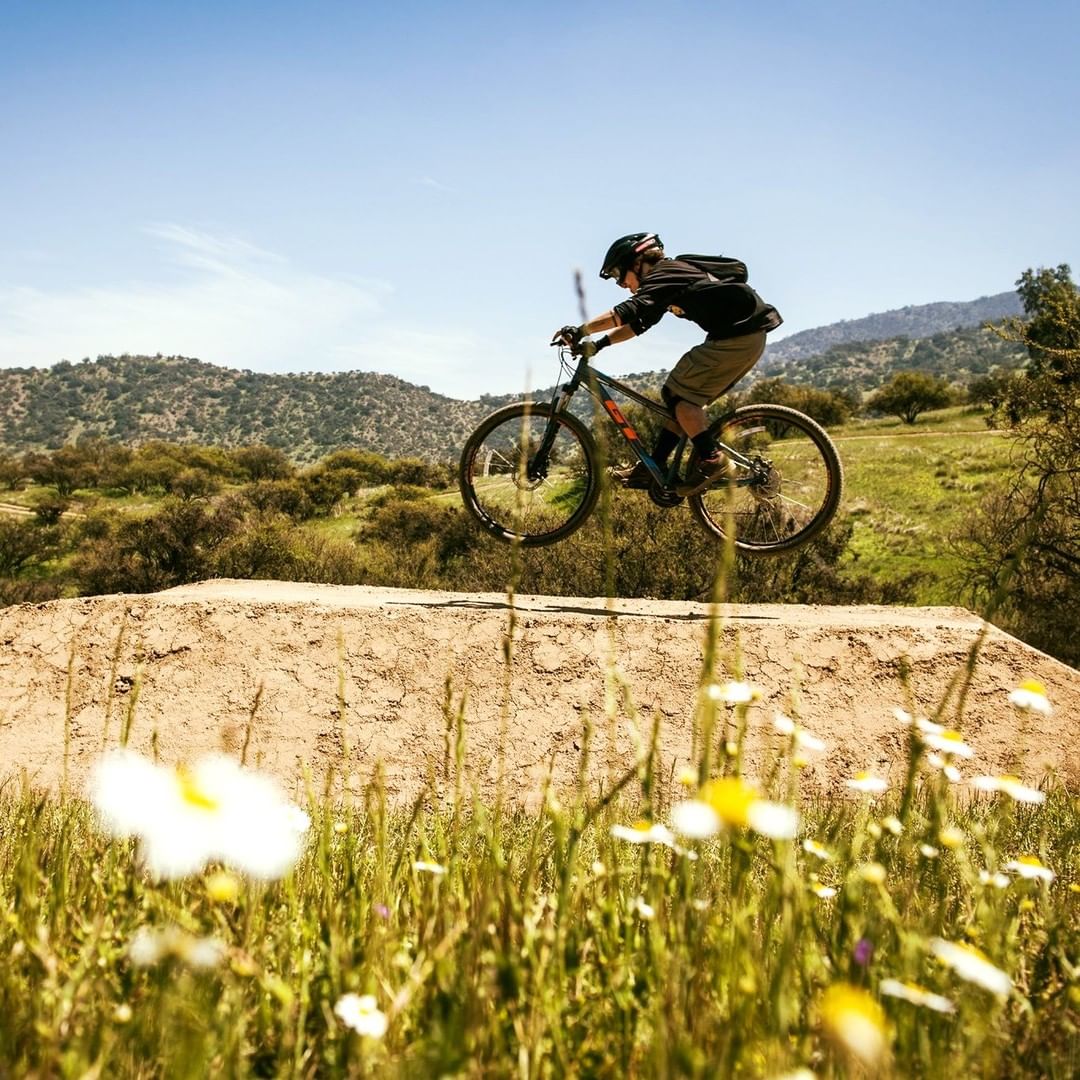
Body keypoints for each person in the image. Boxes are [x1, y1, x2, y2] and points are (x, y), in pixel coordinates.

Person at [552, 232, 782, 496]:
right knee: (680, 400)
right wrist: (599, 344)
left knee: (678, 395)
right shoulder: (667, 282)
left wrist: (580, 330)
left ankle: (713, 459)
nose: (621, 284)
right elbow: (637, 325)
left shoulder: (665, 272)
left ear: (637, 262)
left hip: (737, 338)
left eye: (619, 275)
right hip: (744, 337)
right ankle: (654, 466)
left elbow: (625, 312)